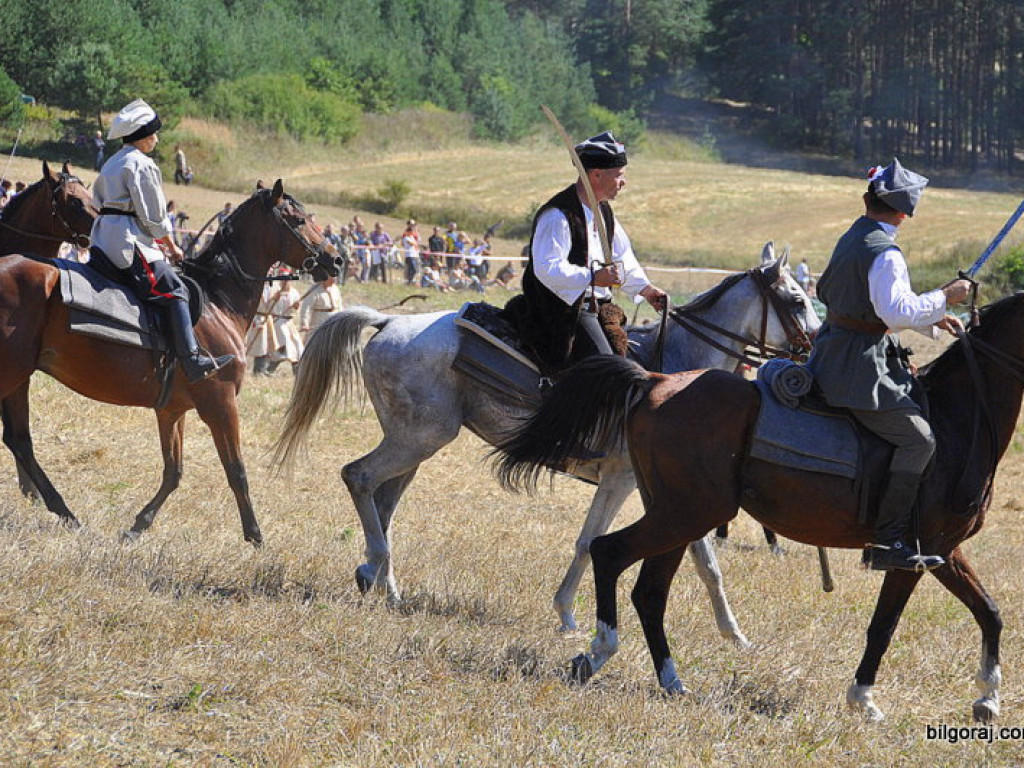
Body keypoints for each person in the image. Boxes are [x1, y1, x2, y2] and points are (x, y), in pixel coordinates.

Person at [806, 158, 971, 572]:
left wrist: (932, 315)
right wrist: (945, 297)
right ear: (904, 211)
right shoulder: (886, 252)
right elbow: (895, 312)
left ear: (869, 200)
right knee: (919, 441)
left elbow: (865, 304)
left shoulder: (854, 236)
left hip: (833, 352)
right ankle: (887, 540)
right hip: (858, 369)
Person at [89, 98, 233, 382]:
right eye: (153, 133)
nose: (156, 138)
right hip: (128, 240)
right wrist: (172, 246)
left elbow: (99, 202)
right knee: (175, 289)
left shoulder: (111, 162)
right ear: (142, 136)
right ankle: (192, 360)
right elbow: (153, 216)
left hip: (103, 239)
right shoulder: (141, 163)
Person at [514, 131, 666, 370]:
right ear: (596, 175)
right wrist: (592, 278)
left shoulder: (603, 212)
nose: (623, 182)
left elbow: (623, 257)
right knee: (608, 373)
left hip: (598, 309)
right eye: (619, 175)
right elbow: (548, 268)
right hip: (562, 312)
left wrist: (646, 290)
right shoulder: (558, 216)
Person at [299, 274, 343, 340]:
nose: (334, 278)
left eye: (335, 276)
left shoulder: (335, 289)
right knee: (314, 340)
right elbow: (306, 306)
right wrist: (304, 322)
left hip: (334, 319)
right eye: (332, 276)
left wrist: (342, 319)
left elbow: (340, 305)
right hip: (319, 319)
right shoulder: (315, 289)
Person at [401, 219, 421, 285]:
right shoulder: (406, 236)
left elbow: (418, 242)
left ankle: (410, 281)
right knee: (411, 269)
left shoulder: (414, 234)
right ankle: (409, 281)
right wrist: (415, 242)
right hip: (409, 255)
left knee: (415, 269)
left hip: (415, 253)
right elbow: (412, 243)